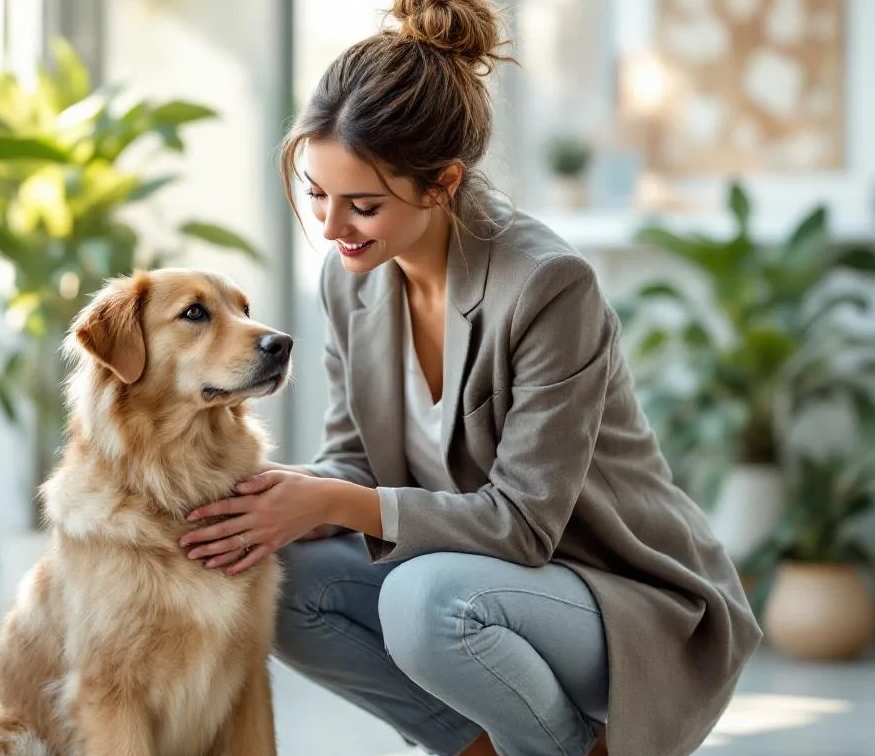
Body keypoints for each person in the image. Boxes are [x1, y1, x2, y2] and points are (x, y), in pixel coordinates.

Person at [177, 1, 763, 754]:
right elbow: (354, 460)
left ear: (443, 183)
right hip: (481, 583)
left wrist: (332, 499)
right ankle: (481, 748)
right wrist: (278, 503)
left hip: (619, 599)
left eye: (362, 206)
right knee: (279, 576)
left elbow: (522, 525)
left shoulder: (549, 286)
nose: (330, 229)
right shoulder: (350, 280)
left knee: (428, 605)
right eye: (317, 194)